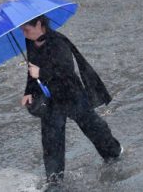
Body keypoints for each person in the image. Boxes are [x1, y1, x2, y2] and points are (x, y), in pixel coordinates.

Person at [20, 15, 123, 186]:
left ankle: (114, 152)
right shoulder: (31, 42)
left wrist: (41, 73)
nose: (24, 34)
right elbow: (32, 70)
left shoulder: (59, 42)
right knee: (51, 141)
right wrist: (28, 91)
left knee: (93, 126)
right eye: (22, 30)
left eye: (26, 29)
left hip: (71, 94)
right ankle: (54, 181)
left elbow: (65, 71)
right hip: (50, 100)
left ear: (39, 24)